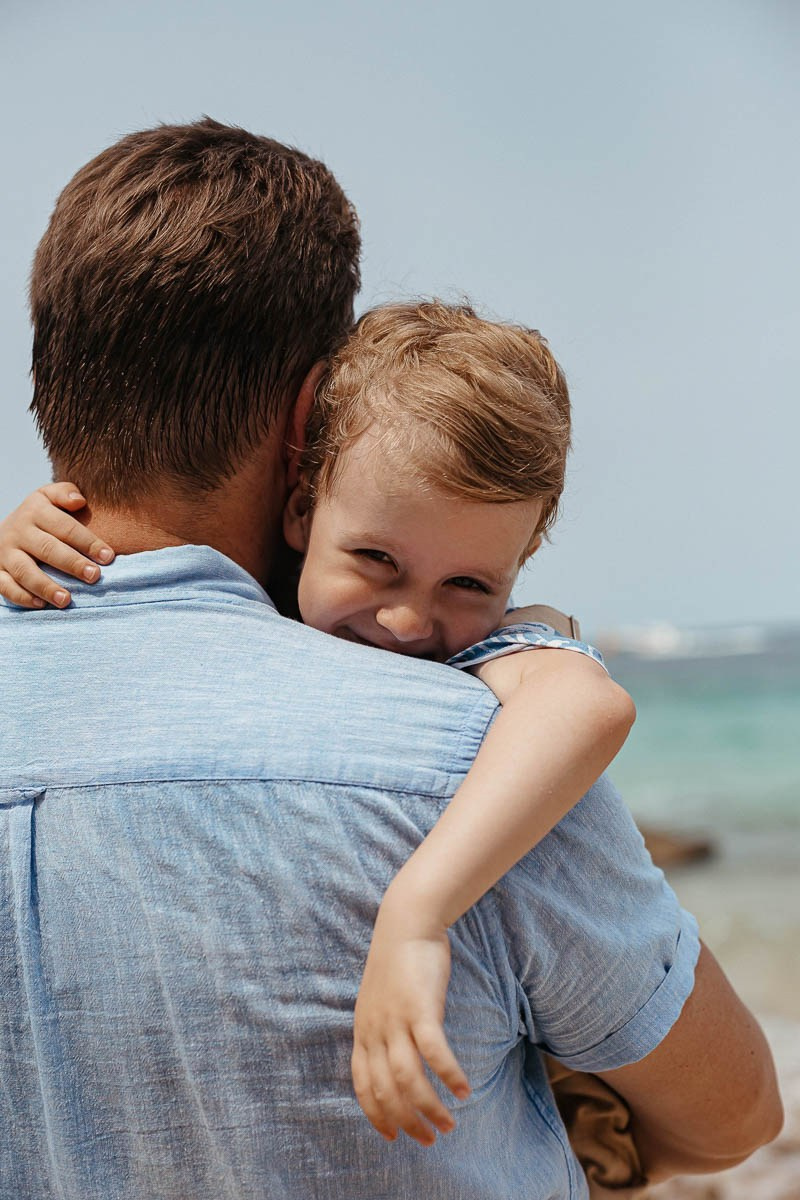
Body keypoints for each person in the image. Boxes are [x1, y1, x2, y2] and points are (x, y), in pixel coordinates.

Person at [0, 119, 782, 1200]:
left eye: (468, 584)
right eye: (377, 561)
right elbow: (733, 1115)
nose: (410, 623)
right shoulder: (466, 758)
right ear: (309, 432)